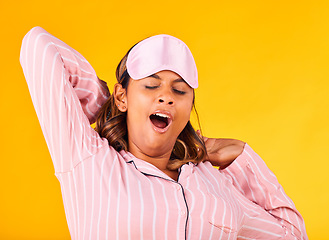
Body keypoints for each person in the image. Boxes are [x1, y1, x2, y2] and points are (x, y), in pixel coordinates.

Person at [20, 26, 307, 240]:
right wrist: (109, 109)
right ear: (123, 96)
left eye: (179, 90)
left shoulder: (214, 183)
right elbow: (39, 46)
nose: (166, 97)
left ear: (189, 105)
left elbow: (292, 236)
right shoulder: (89, 158)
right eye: (151, 85)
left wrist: (244, 160)